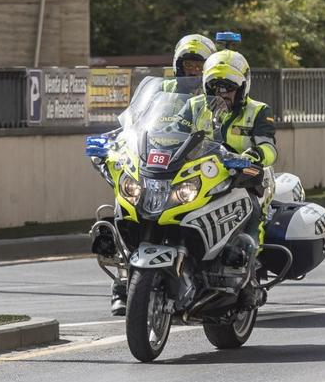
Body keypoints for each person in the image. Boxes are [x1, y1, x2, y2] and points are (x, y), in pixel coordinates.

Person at [108, 34, 218, 315]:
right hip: (155, 160)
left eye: (199, 65)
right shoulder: (162, 90)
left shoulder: (214, 95)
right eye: (188, 65)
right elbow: (136, 120)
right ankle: (123, 283)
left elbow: (217, 132)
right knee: (124, 207)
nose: (193, 71)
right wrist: (117, 139)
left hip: (190, 162)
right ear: (177, 65)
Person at [187, 50, 277, 268]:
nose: (222, 93)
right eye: (216, 87)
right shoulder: (194, 106)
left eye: (229, 87)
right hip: (203, 174)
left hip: (246, 176)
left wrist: (255, 155)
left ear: (243, 87)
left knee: (251, 207)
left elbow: (270, 147)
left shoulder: (259, 111)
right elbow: (172, 132)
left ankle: (248, 262)